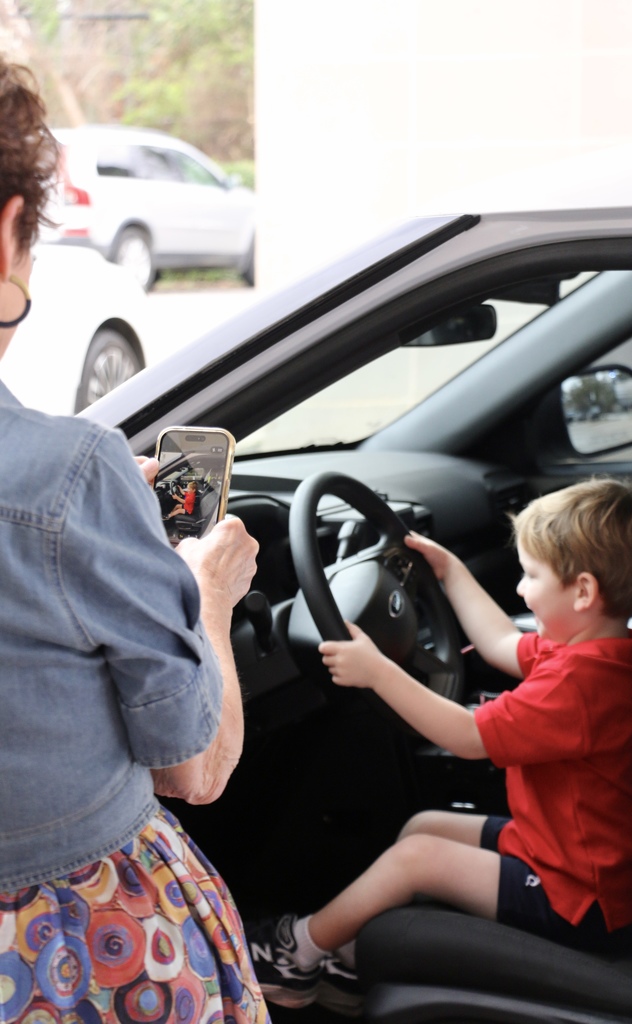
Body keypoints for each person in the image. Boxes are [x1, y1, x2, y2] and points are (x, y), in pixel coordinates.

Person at [0, 61, 270, 1024]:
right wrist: (204, 595)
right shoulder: (67, 475)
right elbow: (194, 771)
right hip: (76, 959)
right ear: (5, 235)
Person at [246, 477, 632, 1015]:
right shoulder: (600, 652)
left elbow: (469, 737)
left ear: (584, 592)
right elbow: (499, 642)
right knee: (425, 826)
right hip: (568, 853)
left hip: (576, 898)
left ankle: (297, 953)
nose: (521, 588)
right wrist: (450, 571)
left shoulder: (579, 685)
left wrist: (377, 672)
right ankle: (350, 959)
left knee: (417, 857)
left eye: (532, 575)